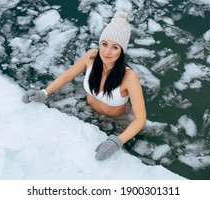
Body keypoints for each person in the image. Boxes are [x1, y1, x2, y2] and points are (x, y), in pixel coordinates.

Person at [22, 11, 146, 161]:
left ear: (122, 51)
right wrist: (44, 93)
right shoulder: (92, 56)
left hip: (115, 121)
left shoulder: (129, 77)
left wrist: (117, 141)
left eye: (115, 47)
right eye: (104, 44)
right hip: (86, 110)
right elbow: (68, 75)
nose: (107, 52)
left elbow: (140, 119)